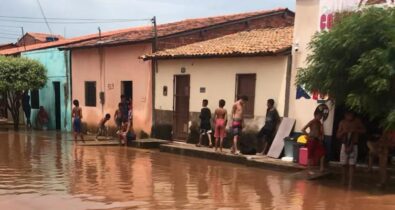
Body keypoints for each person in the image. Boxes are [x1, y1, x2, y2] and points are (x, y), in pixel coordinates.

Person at [336, 111, 366, 187]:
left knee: (352, 164)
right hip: (344, 144)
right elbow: (338, 136)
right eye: (348, 115)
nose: (350, 116)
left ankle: (350, 182)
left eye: (351, 115)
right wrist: (343, 132)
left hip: (354, 145)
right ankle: (343, 180)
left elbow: (364, 130)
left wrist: (355, 130)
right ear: (345, 115)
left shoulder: (357, 121)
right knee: (343, 164)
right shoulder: (342, 123)